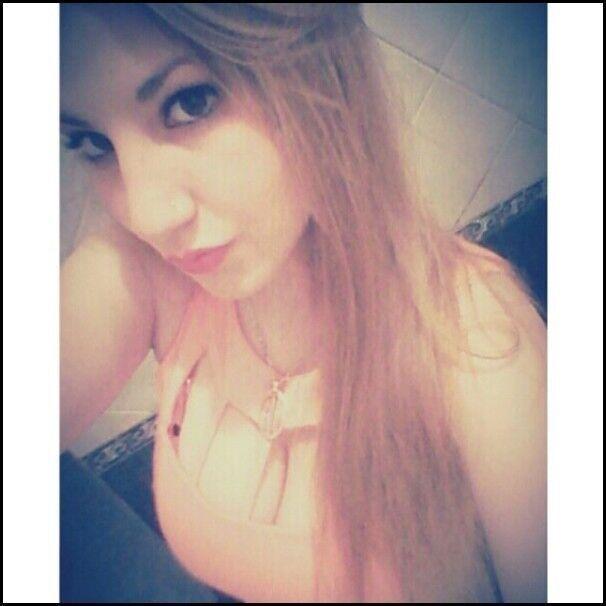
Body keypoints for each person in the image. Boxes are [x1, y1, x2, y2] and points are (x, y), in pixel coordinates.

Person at [60, 4, 547, 602]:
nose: (148, 215)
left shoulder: (474, 343)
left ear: (321, 71)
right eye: (91, 142)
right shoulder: (153, 273)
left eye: (190, 103)